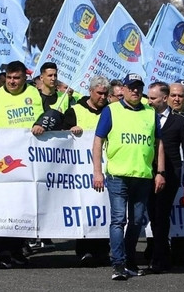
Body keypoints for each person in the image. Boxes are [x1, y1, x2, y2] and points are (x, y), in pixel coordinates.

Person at [92, 73, 165, 281]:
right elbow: (98, 141)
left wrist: (160, 172)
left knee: (137, 221)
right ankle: (118, 264)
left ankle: (130, 261)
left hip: (142, 176)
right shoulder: (111, 110)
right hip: (117, 175)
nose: (135, 91)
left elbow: (158, 144)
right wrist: (97, 171)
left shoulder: (150, 113)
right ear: (123, 89)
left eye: (138, 87)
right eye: (131, 87)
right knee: (118, 220)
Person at [0, 60, 45, 269]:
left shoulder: (36, 94)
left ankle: (18, 250)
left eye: (16, 78)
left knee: (22, 208)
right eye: (9, 78)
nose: (11, 82)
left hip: (29, 162)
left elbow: (48, 117)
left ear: (24, 78)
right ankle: (3, 252)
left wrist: (42, 123)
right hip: (3, 162)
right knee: (3, 209)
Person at [59, 75, 111, 267]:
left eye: (105, 94)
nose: (103, 97)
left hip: (105, 168)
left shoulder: (111, 111)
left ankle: (102, 251)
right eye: (99, 93)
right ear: (90, 91)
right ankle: (84, 250)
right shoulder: (75, 110)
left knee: (104, 208)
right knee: (84, 208)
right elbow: (60, 136)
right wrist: (70, 130)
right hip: (80, 171)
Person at [146, 81, 184, 273]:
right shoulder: (145, 116)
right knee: (152, 214)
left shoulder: (180, 121)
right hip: (146, 172)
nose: (149, 101)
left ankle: (159, 258)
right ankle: (160, 252)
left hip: (170, 174)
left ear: (163, 98)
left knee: (161, 214)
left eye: (153, 98)